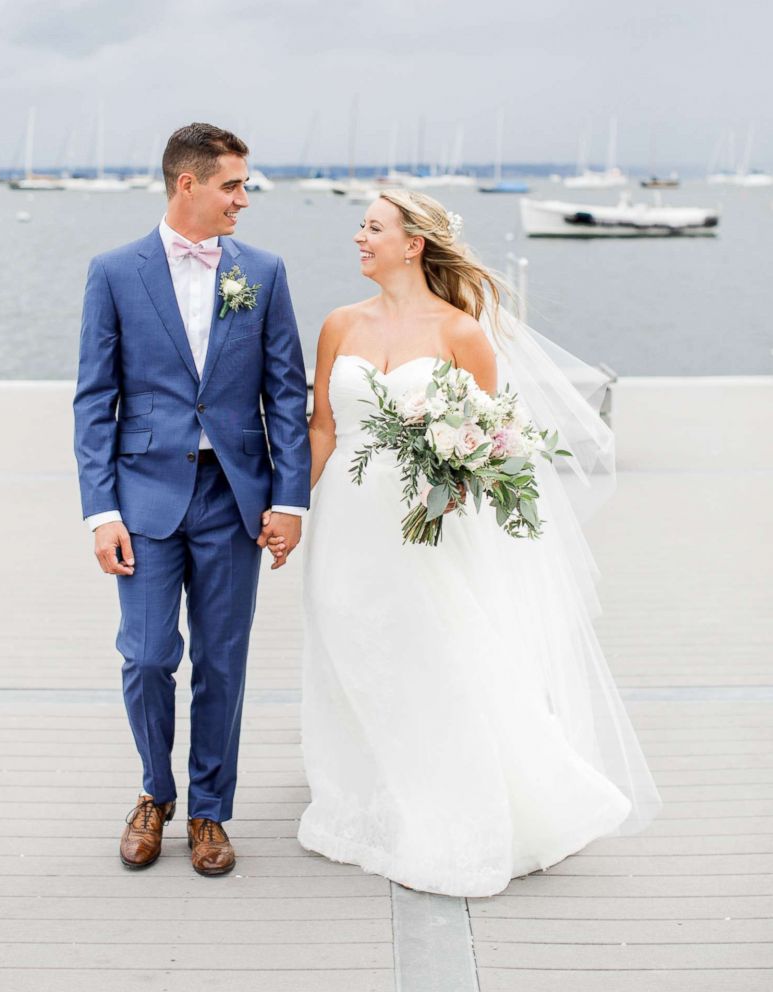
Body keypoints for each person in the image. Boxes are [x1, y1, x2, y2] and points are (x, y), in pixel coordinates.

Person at [282, 189, 661, 897]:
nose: (357, 237)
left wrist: (452, 483)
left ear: (411, 243)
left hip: (429, 524)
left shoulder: (462, 334)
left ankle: (460, 800)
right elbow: (324, 429)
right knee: (351, 642)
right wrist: (290, 509)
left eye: (371, 227)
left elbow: (494, 443)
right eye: (360, 227)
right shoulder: (338, 324)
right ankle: (367, 790)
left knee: (436, 651)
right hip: (346, 519)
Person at [73, 123, 310, 875]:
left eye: (244, 185)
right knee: (146, 658)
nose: (243, 198)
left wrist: (289, 501)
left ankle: (209, 811)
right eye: (232, 185)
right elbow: (93, 399)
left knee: (223, 661)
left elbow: (284, 392)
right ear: (188, 184)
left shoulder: (263, 272)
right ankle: (155, 792)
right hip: (143, 496)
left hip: (234, 496)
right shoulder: (113, 272)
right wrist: (100, 510)